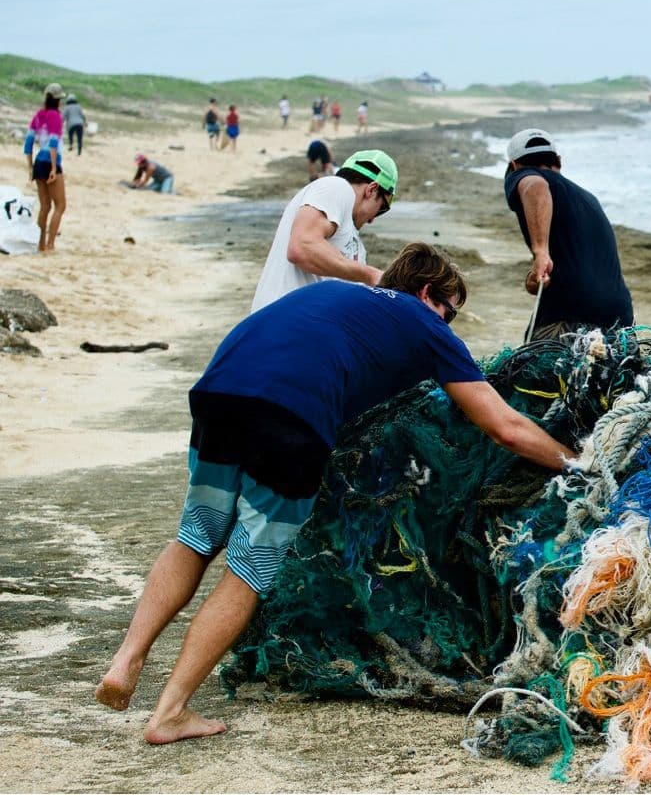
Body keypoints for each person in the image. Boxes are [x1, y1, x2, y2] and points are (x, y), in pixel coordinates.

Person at [94, 242, 586, 744]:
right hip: (291, 414)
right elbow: (505, 427)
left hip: (220, 391)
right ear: (425, 293)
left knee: (196, 537)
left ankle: (126, 660)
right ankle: (170, 712)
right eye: (449, 311)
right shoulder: (425, 325)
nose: (448, 323)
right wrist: (579, 462)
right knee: (249, 568)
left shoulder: (336, 294)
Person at [503, 128, 633, 340]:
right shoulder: (588, 198)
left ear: (514, 165)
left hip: (568, 315)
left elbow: (534, 185)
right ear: (559, 161)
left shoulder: (524, 175)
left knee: (533, 368)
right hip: (620, 316)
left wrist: (540, 251)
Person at [251, 149, 396, 311]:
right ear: (371, 190)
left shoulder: (356, 248)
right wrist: (371, 274)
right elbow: (301, 247)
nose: (372, 220)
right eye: (381, 208)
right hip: (281, 324)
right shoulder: (337, 187)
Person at [23, 83, 66, 253]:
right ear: (57, 100)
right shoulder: (56, 116)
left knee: (45, 206)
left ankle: (40, 244)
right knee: (60, 206)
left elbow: (28, 143)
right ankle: (50, 245)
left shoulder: (38, 115)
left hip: (39, 163)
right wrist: (54, 168)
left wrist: (29, 167)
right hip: (51, 162)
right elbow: (54, 143)